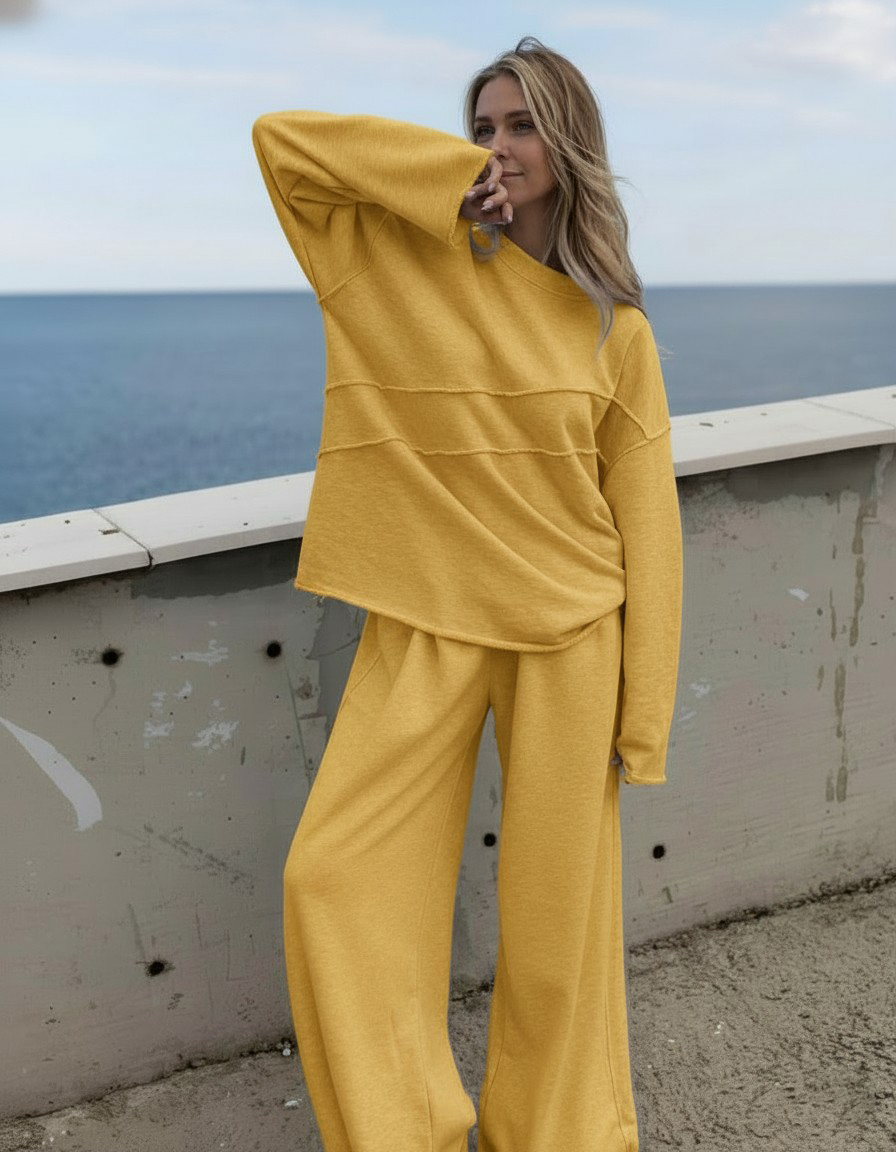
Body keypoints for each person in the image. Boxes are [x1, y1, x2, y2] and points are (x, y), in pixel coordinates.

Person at [252, 34, 682, 1152]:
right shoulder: (396, 263)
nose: (498, 145)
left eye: (522, 125)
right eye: (483, 126)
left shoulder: (615, 329)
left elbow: (647, 525)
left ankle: (557, 1135)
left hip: (569, 632)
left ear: (569, 142)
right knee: (331, 880)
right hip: (426, 619)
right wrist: (442, 182)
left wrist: (641, 718)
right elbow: (283, 146)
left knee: (555, 935)